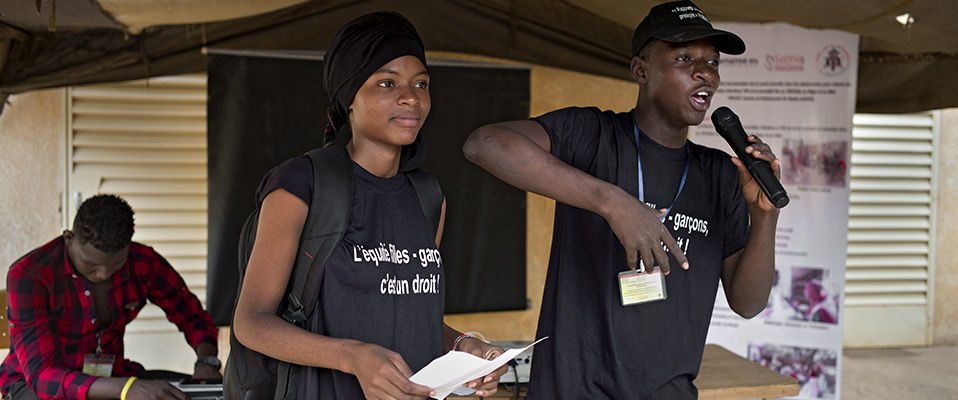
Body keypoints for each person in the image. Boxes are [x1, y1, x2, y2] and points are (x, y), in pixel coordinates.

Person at [463, 1, 781, 398]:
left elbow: (747, 303)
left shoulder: (719, 174)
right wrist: (613, 203)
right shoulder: (592, 134)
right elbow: (485, 144)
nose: (705, 73)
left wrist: (764, 217)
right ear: (641, 70)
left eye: (712, 62)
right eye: (685, 58)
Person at [230, 11, 506, 400]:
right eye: (387, 83)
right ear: (350, 98)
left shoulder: (428, 196)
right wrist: (353, 357)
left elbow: (413, 315)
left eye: (421, 83)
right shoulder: (301, 184)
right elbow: (252, 322)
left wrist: (464, 347)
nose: (411, 97)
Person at [1, 194, 221, 400]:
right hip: (35, 385)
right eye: (90, 264)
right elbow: (42, 374)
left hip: (111, 378)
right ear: (69, 239)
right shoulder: (30, 275)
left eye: (116, 265)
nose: (103, 274)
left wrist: (206, 361)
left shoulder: (143, 262)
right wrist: (126, 388)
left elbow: (191, 315)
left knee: (191, 395)